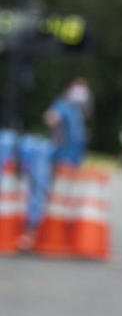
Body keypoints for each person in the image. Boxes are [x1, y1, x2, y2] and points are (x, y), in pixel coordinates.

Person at [17, 78, 90, 250]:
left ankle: (55, 236)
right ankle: (32, 233)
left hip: (73, 160)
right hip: (59, 158)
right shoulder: (63, 105)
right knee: (44, 194)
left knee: (63, 201)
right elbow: (51, 117)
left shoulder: (77, 111)